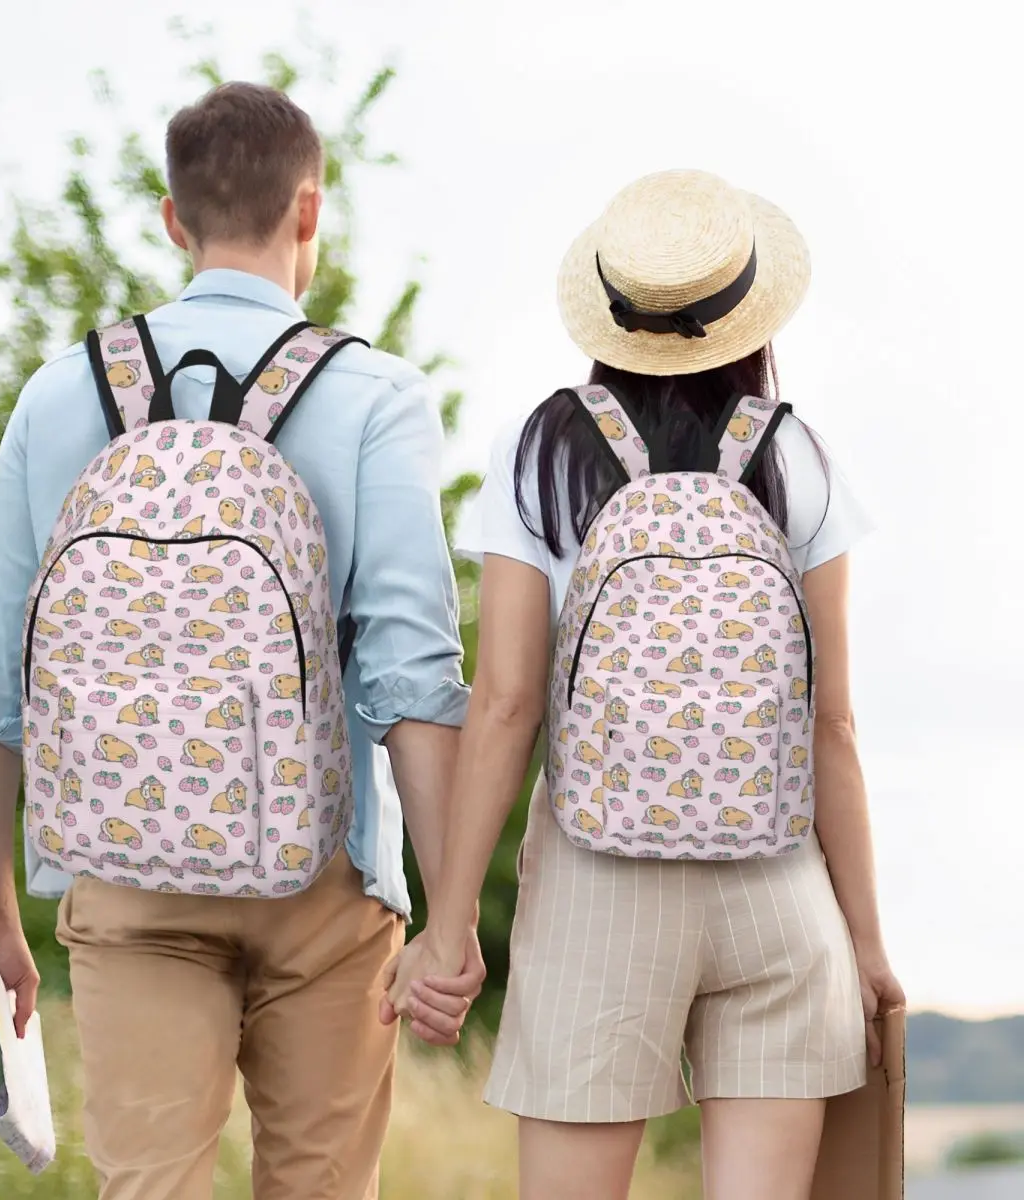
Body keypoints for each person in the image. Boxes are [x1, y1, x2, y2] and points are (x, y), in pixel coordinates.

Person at [0, 81, 485, 1200]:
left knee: (149, 1186)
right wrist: (452, 915)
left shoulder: (60, 395)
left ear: (173, 219)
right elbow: (412, 679)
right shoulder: (374, 395)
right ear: (310, 213)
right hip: (327, 879)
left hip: (126, 872)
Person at [385, 169, 905, 1200]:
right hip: (778, 888)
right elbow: (833, 724)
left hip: (596, 886)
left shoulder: (541, 450)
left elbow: (505, 705)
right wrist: (867, 944)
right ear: (748, 313)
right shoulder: (797, 456)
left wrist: (447, 928)